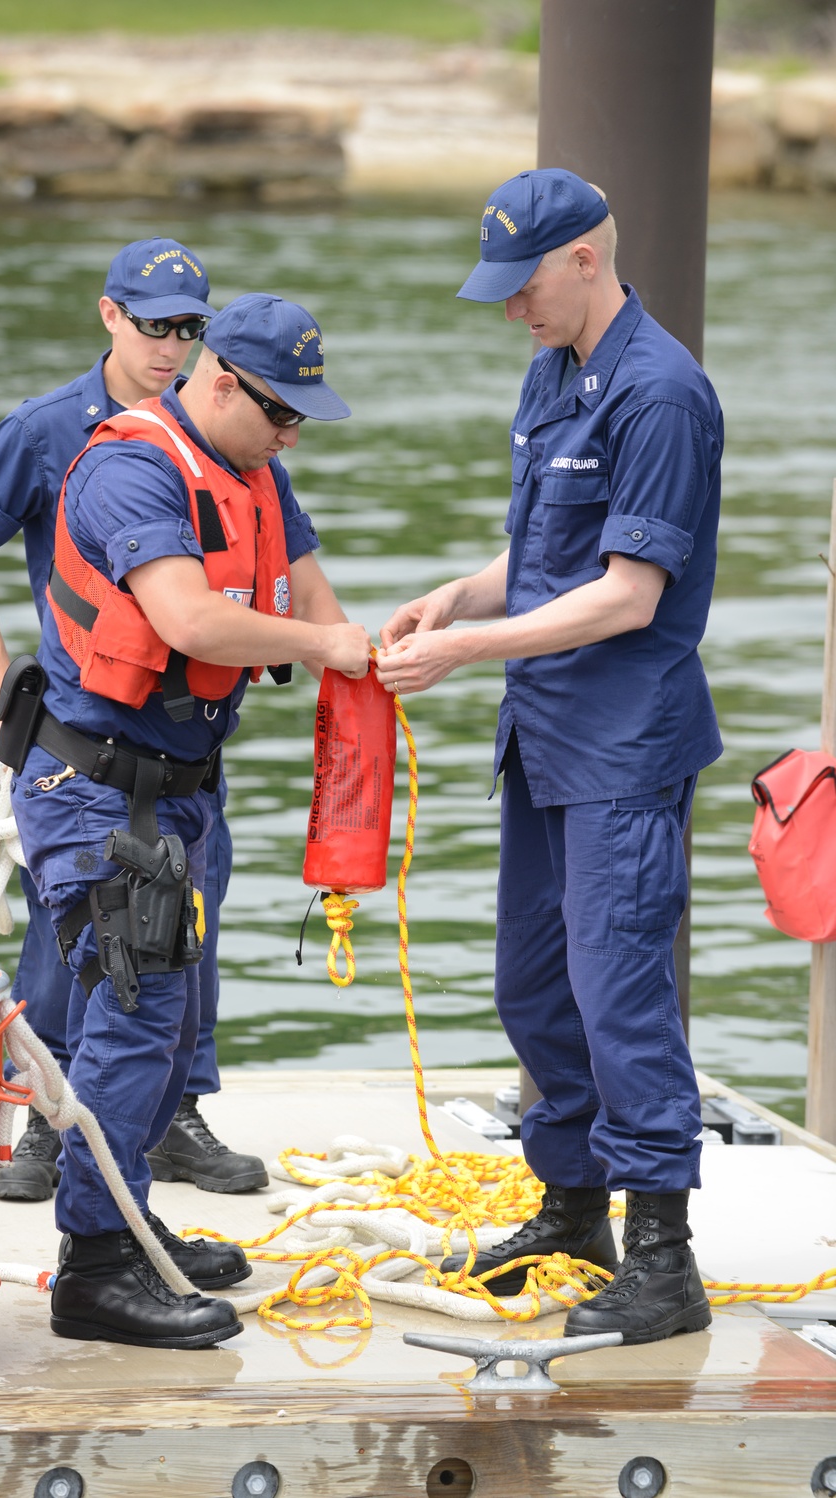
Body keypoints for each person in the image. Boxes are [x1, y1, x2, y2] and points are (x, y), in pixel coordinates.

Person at [375, 169, 723, 1347]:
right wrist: (454, 594)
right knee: (533, 983)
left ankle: (663, 1253)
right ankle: (573, 1209)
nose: (510, 307)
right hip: (543, 738)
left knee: (619, 989)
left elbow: (628, 595)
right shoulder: (551, 371)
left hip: (622, 744)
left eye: (522, 284)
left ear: (584, 258)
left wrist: (469, 645)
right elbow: (540, 553)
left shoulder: (660, 394)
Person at [7, 291, 371, 1347]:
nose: (292, 432)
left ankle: (129, 1221)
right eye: (281, 412)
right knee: (131, 1017)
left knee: (168, 1027)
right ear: (220, 383)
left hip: (181, 790)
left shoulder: (258, 471)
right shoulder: (130, 466)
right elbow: (188, 616)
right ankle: (94, 1268)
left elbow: (314, 602)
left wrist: (365, 650)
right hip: (95, 792)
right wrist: (322, 649)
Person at [0, 237, 268, 1208]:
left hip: (182, 737)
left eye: (190, 329)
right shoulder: (48, 428)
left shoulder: (218, 432)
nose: (171, 345)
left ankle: (177, 1112)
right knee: (69, 923)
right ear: (109, 315)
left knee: (189, 916)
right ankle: (52, 1114)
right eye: (153, 324)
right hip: (80, 732)